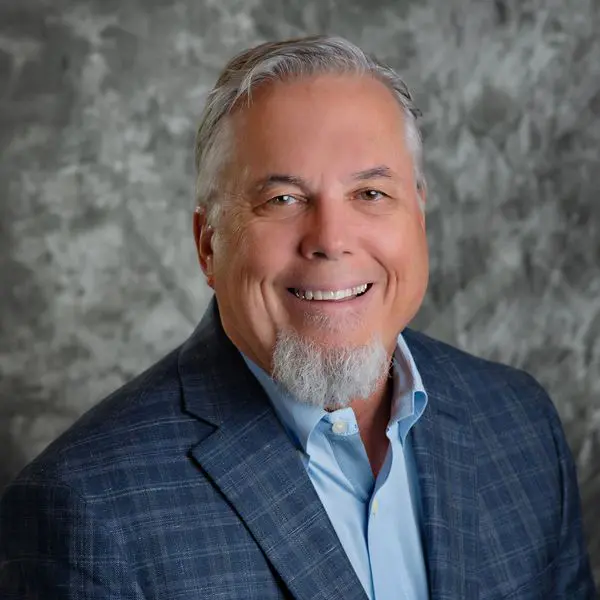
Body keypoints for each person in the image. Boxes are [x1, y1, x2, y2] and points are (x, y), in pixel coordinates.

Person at [0, 36, 596, 600]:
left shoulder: (521, 423)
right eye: (282, 199)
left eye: (370, 194)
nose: (330, 240)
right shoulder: (85, 514)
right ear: (208, 245)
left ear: (420, 213)